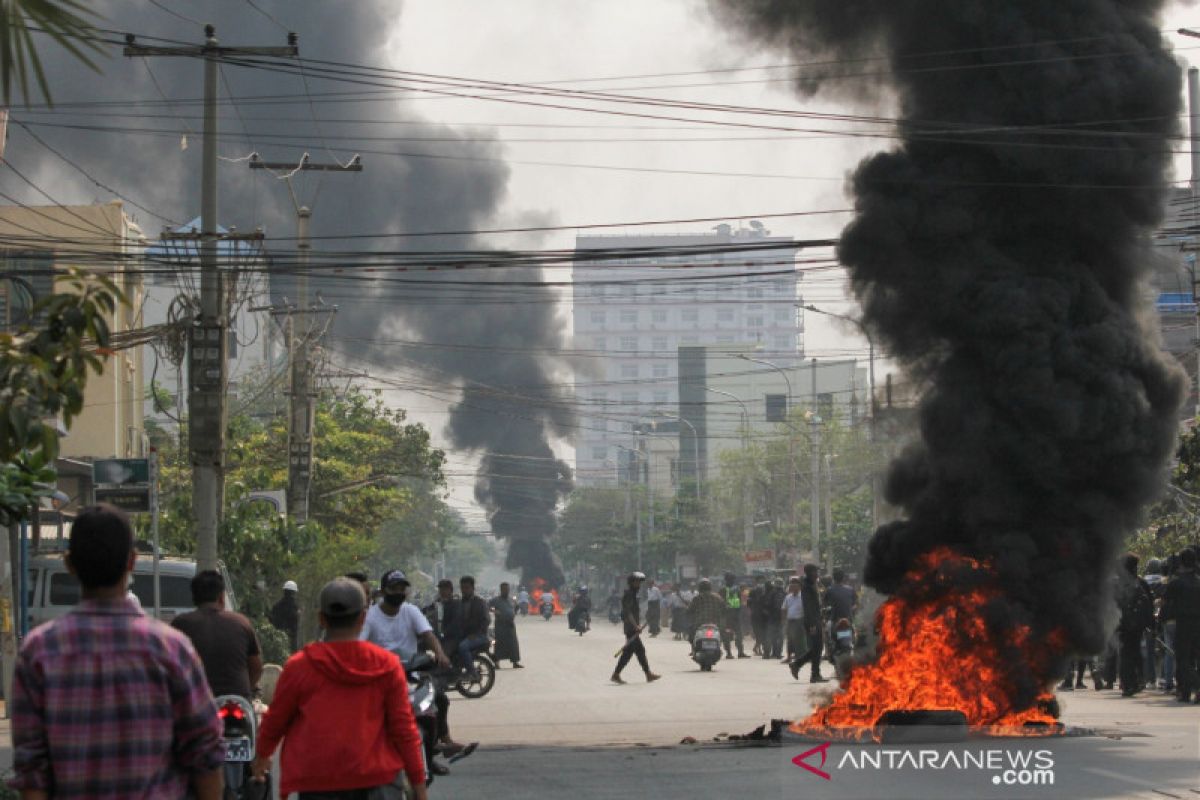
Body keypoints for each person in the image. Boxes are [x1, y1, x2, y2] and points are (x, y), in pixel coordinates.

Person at [9, 504, 224, 798]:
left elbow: (31, 772)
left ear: (70, 565)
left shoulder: (38, 652)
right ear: (132, 562)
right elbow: (206, 755)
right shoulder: (171, 649)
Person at [252, 578, 428, 800]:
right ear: (363, 618)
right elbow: (404, 730)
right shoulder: (387, 665)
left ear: (321, 619)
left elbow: (275, 721)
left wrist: (262, 757)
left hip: (319, 783)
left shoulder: (300, 666)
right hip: (378, 783)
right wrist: (419, 788)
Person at [360, 569, 461, 775]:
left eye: (401, 588)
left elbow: (428, 635)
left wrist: (440, 654)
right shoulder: (371, 616)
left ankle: (430, 754)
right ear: (383, 591)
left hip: (411, 672)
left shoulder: (411, 611)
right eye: (393, 588)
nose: (398, 592)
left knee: (438, 700)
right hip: (381, 676)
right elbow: (360, 643)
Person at [172, 569, 263, 700]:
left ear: (194, 598)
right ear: (221, 597)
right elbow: (256, 668)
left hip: (197, 702)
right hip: (237, 702)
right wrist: (247, 689)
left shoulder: (180, 624)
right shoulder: (241, 622)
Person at [1161, 549, 1200, 702]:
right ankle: (1188, 691)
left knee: (1183, 659)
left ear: (1182, 563)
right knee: (1196, 657)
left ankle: (1191, 687)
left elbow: (1164, 601)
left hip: (1183, 624)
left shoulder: (1176, 582)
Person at [612, 571, 661, 685]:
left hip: (632, 627)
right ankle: (648, 674)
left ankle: (617, 674)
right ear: (632, 582)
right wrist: (636, 626)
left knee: (630, 653)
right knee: (640, 650)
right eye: (637, 582)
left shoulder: (633, 594)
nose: (639, 584)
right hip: (630, 628)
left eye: (640, 582)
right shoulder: (629, 595)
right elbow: (628, 613)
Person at [790, 564, 828, 683]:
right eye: (815, 572)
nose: (817, 574)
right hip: (812, 621)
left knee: (817, 648)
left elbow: (816, 604)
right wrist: (812, 623)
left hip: (815, 619)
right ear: (810, 573)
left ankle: (799, 665)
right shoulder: (806, 586)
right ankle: (811, 672)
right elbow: (808, 606)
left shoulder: (812, 584)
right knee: (817, 647)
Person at [457, 576, 491, 678]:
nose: (464, 590)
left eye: (467, 588)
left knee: (463, 647)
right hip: (465, 635)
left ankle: (471, 672)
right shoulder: (459, 602)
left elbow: (486, 620)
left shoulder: (480, 602)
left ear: (473, 588)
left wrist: (476, 634)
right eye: (462, 588)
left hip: (479, 636)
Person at [489, 582, 523, 668]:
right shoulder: (495, 600)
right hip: (500, 625)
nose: (506, 591)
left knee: (513, 644)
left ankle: (515, 662)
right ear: (501, 590)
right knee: (499, 644)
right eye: (504, 589)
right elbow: (488, 606)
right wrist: (494, 611)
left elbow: (516, 607)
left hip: (510, 625)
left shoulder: (511, 599)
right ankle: (497, 663)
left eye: (507, 589)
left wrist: (513, 613)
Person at [722, 572, 748, 658]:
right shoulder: (723, 590)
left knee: (739, 634)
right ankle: (729, 653)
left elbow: (740, 601)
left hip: (735, 614)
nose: (732, 581)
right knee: (728, 635)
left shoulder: (736, 589)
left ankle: (740, 652)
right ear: (726, 580)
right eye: (730, 579)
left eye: (733, 579)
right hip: (727, 615)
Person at [270, 579, 301, 652]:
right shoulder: (295, 608)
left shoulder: (276, 606)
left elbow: (271, 621)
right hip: (291, 641)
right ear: (294, 592)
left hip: (277, 641)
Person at [782, 576, 806, 664]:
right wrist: (784, 621)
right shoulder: (788, 597)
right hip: (790, 621)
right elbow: (784, 609)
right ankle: (789, 657)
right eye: (791, 586)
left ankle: (799, 657)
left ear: (799, 587)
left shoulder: (803, 597)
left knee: (798, 640)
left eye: (794, 586)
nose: (792, 587)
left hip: (799, 621)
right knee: (790, 639)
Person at [748, 575, 768, 655]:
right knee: (758, 633)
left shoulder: (763, 591)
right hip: (757, 615)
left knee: (760, 633)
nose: (761, 582)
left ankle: (758, 648)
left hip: (760, 615)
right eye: (760, 580)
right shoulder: (755, 591)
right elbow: (748, 604)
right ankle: (758, 649)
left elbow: (748, 604)